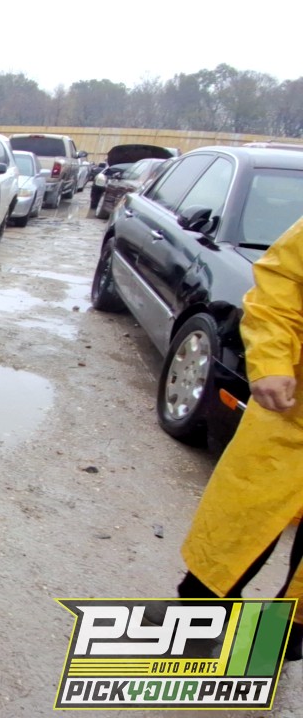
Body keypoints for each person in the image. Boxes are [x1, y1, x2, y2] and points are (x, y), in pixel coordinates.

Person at [177, 215, 303, 651]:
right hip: (294, 411)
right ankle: (198, 618)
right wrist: (272, 363)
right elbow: (279, 291)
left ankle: (284, 639)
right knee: (246, 516)